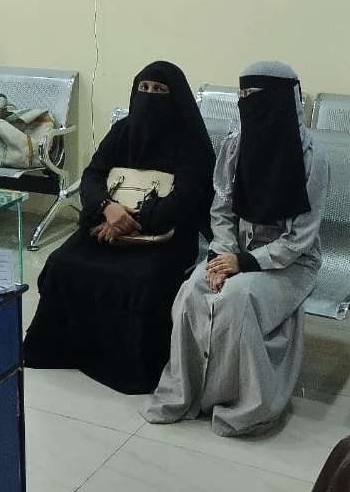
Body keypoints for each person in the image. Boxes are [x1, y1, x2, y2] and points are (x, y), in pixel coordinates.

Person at [141, 60, 329, 437]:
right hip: (234, 253)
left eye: (253, 95)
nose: (246, 102)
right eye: (241, 94)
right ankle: (188, 394)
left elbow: (300, 239)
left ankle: (245, 404)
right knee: (191, 291)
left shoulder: (310, 159)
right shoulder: (236, 146)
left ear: (278, 100)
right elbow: (222, 211)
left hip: (289, 263)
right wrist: (221, 256)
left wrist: (244, 263)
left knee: (236, 299)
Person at [23, 61, 215, 394]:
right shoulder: (123, 130)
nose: (150, 95)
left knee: (143, 280)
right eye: (144, 88)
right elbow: (93, 175)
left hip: (166, 234)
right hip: (107, 222)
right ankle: (66, 350)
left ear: (176, 97)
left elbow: (186, 199)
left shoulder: (190, 141)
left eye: (160, 90)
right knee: (62, 264)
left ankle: (130, 368)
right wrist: (107, 208)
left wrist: (129, 223)